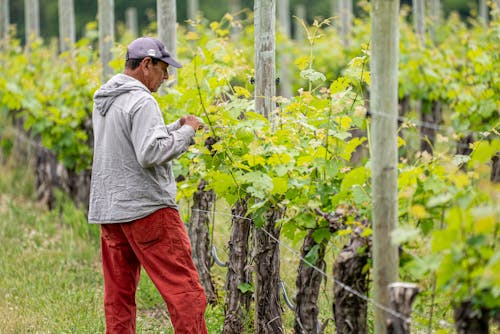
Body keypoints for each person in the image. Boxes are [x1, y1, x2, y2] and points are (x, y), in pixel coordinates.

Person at [88, 36, 208, 333]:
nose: (166, 77)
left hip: (111, 212)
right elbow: (149, 153)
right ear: (145, 65)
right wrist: (188, 133)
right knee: (185, 292)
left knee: (119, 296)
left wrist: (173, 129)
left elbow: (130, 142)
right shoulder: (142, 100)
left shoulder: (105, 99)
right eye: (163, 68)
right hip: (147, 211)